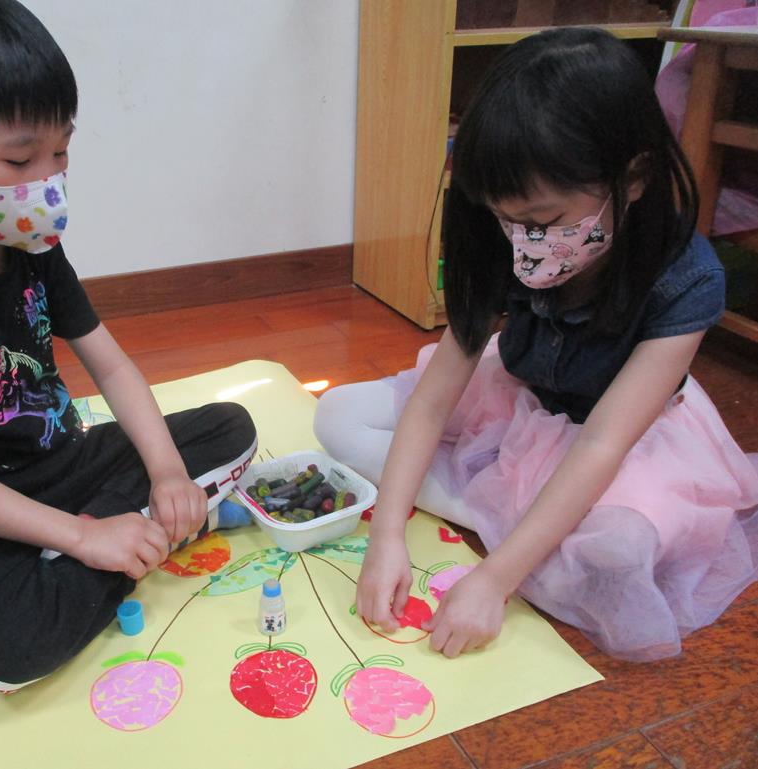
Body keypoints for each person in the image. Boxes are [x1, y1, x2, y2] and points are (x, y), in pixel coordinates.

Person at [0, 0, 256, 694]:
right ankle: (117, 540)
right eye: (21, 159)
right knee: (6, 650)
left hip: (63, 463)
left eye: (60, 151)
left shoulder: (26, 239)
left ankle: (115, 537)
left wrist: (166, 472)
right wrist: (84, 537)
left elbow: (109, 362)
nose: (49, 180)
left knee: (230, 427)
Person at [314, 27, 758, 662]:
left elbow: (604, 443)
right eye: (505, 218)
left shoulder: (686, 279)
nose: (522, 239)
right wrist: (386, 535)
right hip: (519, 389)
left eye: (543, 221)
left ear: (634, 178)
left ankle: (510, 524)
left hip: (622, 434)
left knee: (619, 551)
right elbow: (434, 400)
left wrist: (493, 580)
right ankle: (505, 515)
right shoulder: (504, 233)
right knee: (337, 414)